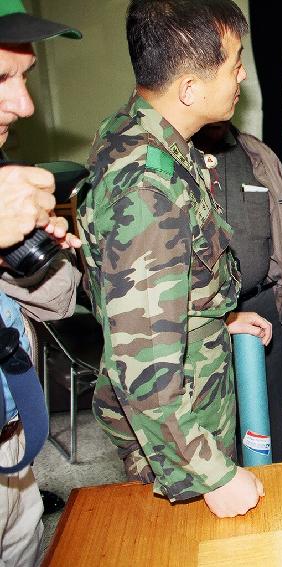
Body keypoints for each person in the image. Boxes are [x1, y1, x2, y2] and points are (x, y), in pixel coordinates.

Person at [76, 0, 271, 519]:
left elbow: (153, 286)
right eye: (234, 63)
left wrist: (215, 316)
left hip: (190, 398)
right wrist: (213, 474)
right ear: (189, 88)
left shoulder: (139, 133)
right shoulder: (147, 185)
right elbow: (140, 363)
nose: (242, 75)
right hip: (174, 444)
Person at [0, 1, 81, 563]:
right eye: (1, 77)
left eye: (24, 78)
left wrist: (32, 253)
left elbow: (59, 303)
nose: (25, 104)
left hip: (14, 448)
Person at [193, 121, 282, 464]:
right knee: (211, 422)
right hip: (200, 316)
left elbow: (281, 223)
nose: (239, 80)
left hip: (263, 302)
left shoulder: (255, 153)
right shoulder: (172, 157)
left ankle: (278, 497)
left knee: (267, 417)